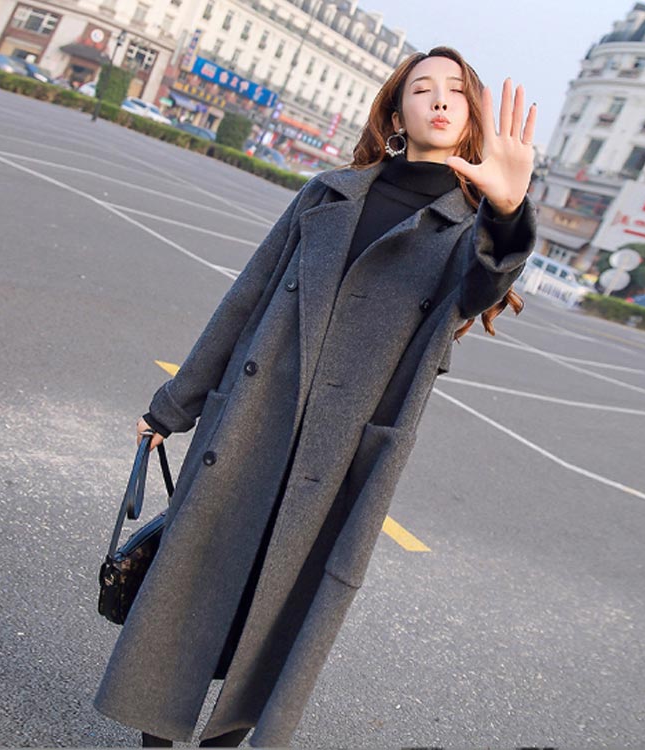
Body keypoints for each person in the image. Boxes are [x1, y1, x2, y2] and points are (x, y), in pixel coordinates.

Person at [93, 46, 537, 747]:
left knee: (275, 613)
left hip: (341, 457)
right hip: (248, 424)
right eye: (422, 88)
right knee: (192, 585)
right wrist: (171, 407)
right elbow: (245, 300)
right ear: (397, 114)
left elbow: (484, 285)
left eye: (456, 91)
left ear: (472, 119)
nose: (439, 99)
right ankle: (155, 735)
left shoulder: (468, 230)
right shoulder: (328, 194)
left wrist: (508, 215)